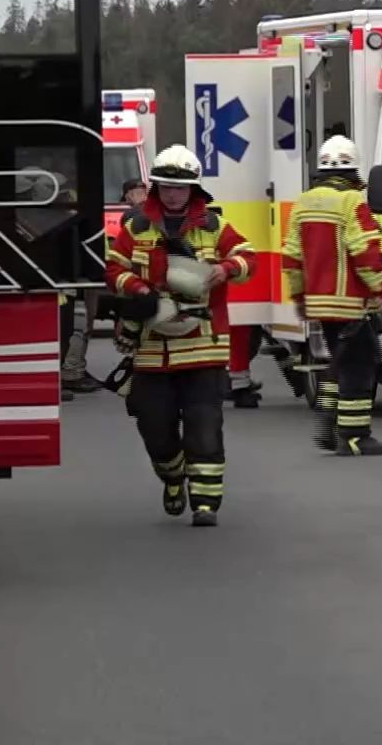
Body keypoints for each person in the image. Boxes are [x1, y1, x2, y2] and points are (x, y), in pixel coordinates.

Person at [105, 144, 252, 527]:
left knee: (205, 425)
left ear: (193, 190)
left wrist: (227, 268)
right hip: (153, 349)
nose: (173, 193)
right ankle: (173, 478)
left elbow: (248, 256)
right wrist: (137, 291)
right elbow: (114, 270)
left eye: (180, 187)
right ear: (155, 187)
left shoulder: (214, 225)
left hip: (202, 345)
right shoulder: (135, 227)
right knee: (155, 426)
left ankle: (205, 505)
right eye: (166, 186)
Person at [282, 135, 382, 456]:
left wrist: (299, 296)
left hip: (320, 303)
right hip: (350, 303)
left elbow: (291, 255)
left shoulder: (303, 203)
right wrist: (381, 290)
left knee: (339, 363)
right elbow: (364, 251)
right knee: (361, 366)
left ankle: (330, 421)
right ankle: (354, 435)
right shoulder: (351, 202)